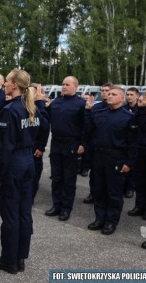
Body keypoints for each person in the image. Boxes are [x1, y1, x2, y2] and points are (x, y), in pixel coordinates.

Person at [0, 69, 49, 274]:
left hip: (14, 163)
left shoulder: (11, 110)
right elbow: (44, 127)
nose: (5, 84)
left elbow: (5, 148)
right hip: (27, 162)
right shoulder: (31, 107)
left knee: (11, 214)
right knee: (24, 212)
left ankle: (9, 260)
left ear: (15, 85)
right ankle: (20, 257)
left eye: (7, 81)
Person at [85, 86, 138, 235]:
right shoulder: (100, 113)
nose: (109, 96)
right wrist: (88, 111)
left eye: (113, 94)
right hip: (99, 156)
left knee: (114, 193)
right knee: (99, 190)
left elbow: (133, 143)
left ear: (122, 98)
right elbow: (90, 131)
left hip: (116, 158)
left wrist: (129, 162)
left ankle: (111, 221)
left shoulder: (128, 117)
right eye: (108, 94)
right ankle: (99, 218)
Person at [45, 76, 86, 221]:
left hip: (72, 145)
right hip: (56, 143)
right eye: (62, 84)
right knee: (56, 178)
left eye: (67, 84)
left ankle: (66, 208)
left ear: (76, 87)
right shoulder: (57, 102)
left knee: (69, 179)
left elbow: (85, 127)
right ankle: (56, 205)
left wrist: (82, 144)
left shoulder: (81, 104)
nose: (64, 87)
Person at [83, 83, 112, 204]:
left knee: (109, 177)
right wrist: (88, 110)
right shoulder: (97, 107)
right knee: (94, 174)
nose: (105, 93)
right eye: (103, 90)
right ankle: (93, 193)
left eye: (107, 91)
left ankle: (107, 197)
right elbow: (89, 126)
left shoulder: (118, 107)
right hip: (96, 146)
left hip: (111, 148)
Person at [129, 92, 146, 221]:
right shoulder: (143, 118)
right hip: (141, 153)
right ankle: (139, 206)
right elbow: (135, 121)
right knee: (140, 181)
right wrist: (141, 108)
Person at [123, 87, 140, 199]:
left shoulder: (140, 109)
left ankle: (131, 188)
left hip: (137, 142)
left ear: (137, 96)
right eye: (128, 94)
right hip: (124, 141)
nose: (129, 97)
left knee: (133, 167)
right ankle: (124, 187)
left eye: (131, 95)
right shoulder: (123, 108)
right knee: (124, 165)